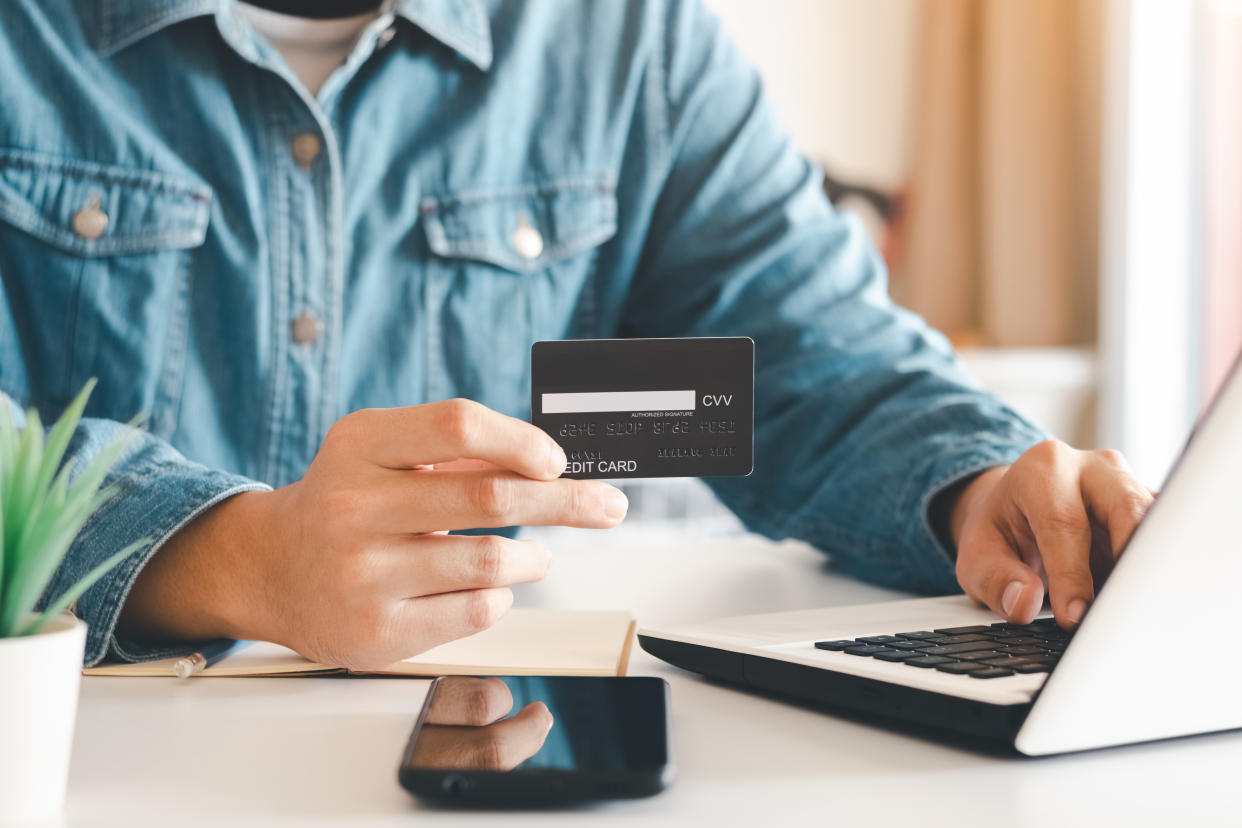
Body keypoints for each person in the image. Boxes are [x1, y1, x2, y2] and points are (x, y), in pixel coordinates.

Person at [0, 0, 1153, 669]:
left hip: (491, 737)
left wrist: (976, 486)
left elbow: (811, 360)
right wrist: (237, 554)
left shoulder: (627, 42)